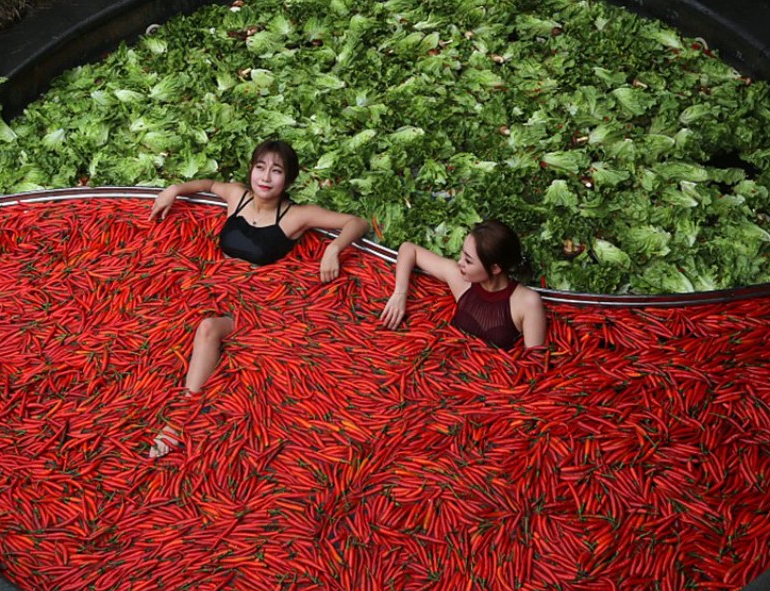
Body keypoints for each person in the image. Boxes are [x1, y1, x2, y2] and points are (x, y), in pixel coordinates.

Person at [148, 139, 368, 457]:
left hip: (256, 304)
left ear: (288, 180)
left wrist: (334, 248)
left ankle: (178, 421)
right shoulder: (237, 197)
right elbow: (210, 183)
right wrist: (175, 189)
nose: (265, 177)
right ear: (251, 170)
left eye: (276, 171)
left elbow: (355, 222)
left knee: (208, 328)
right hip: (213, 286)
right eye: (260, 168)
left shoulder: (296, 216)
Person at [379, 219, 547, 349]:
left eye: (468, 260)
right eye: (462, 254)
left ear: (495, 268)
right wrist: (399, 293)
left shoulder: (527, 303)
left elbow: (534, 365)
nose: (460, 263)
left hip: (491, 387)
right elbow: (409, 249)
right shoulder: (462, 280)